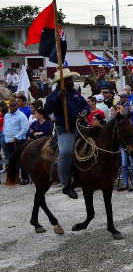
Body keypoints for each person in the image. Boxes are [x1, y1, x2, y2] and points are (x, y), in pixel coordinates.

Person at [43, 68, 89, 199]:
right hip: (65, 129)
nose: (71, 81)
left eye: (71, 79)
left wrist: (83, 113)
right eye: (69, 79)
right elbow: (47, 110)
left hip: (79, 126)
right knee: (66, 152)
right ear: (61, 82)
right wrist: (58, 97)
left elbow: (85, 105)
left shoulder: (75, 92)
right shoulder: (54, 94)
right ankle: (66, 184)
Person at [3, 99, 30, 184]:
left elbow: (25, 128)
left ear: (16, 106)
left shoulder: (21, 116)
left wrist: (17, 137)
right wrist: (5, 135)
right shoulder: (6, 115)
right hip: (8, 140)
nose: (10, 108)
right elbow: (5, 126)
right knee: (11, 161)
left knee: (21, 161)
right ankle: (14, 178)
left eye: (12, 106)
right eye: (9, 106)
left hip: (18, 141)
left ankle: (25, 179)